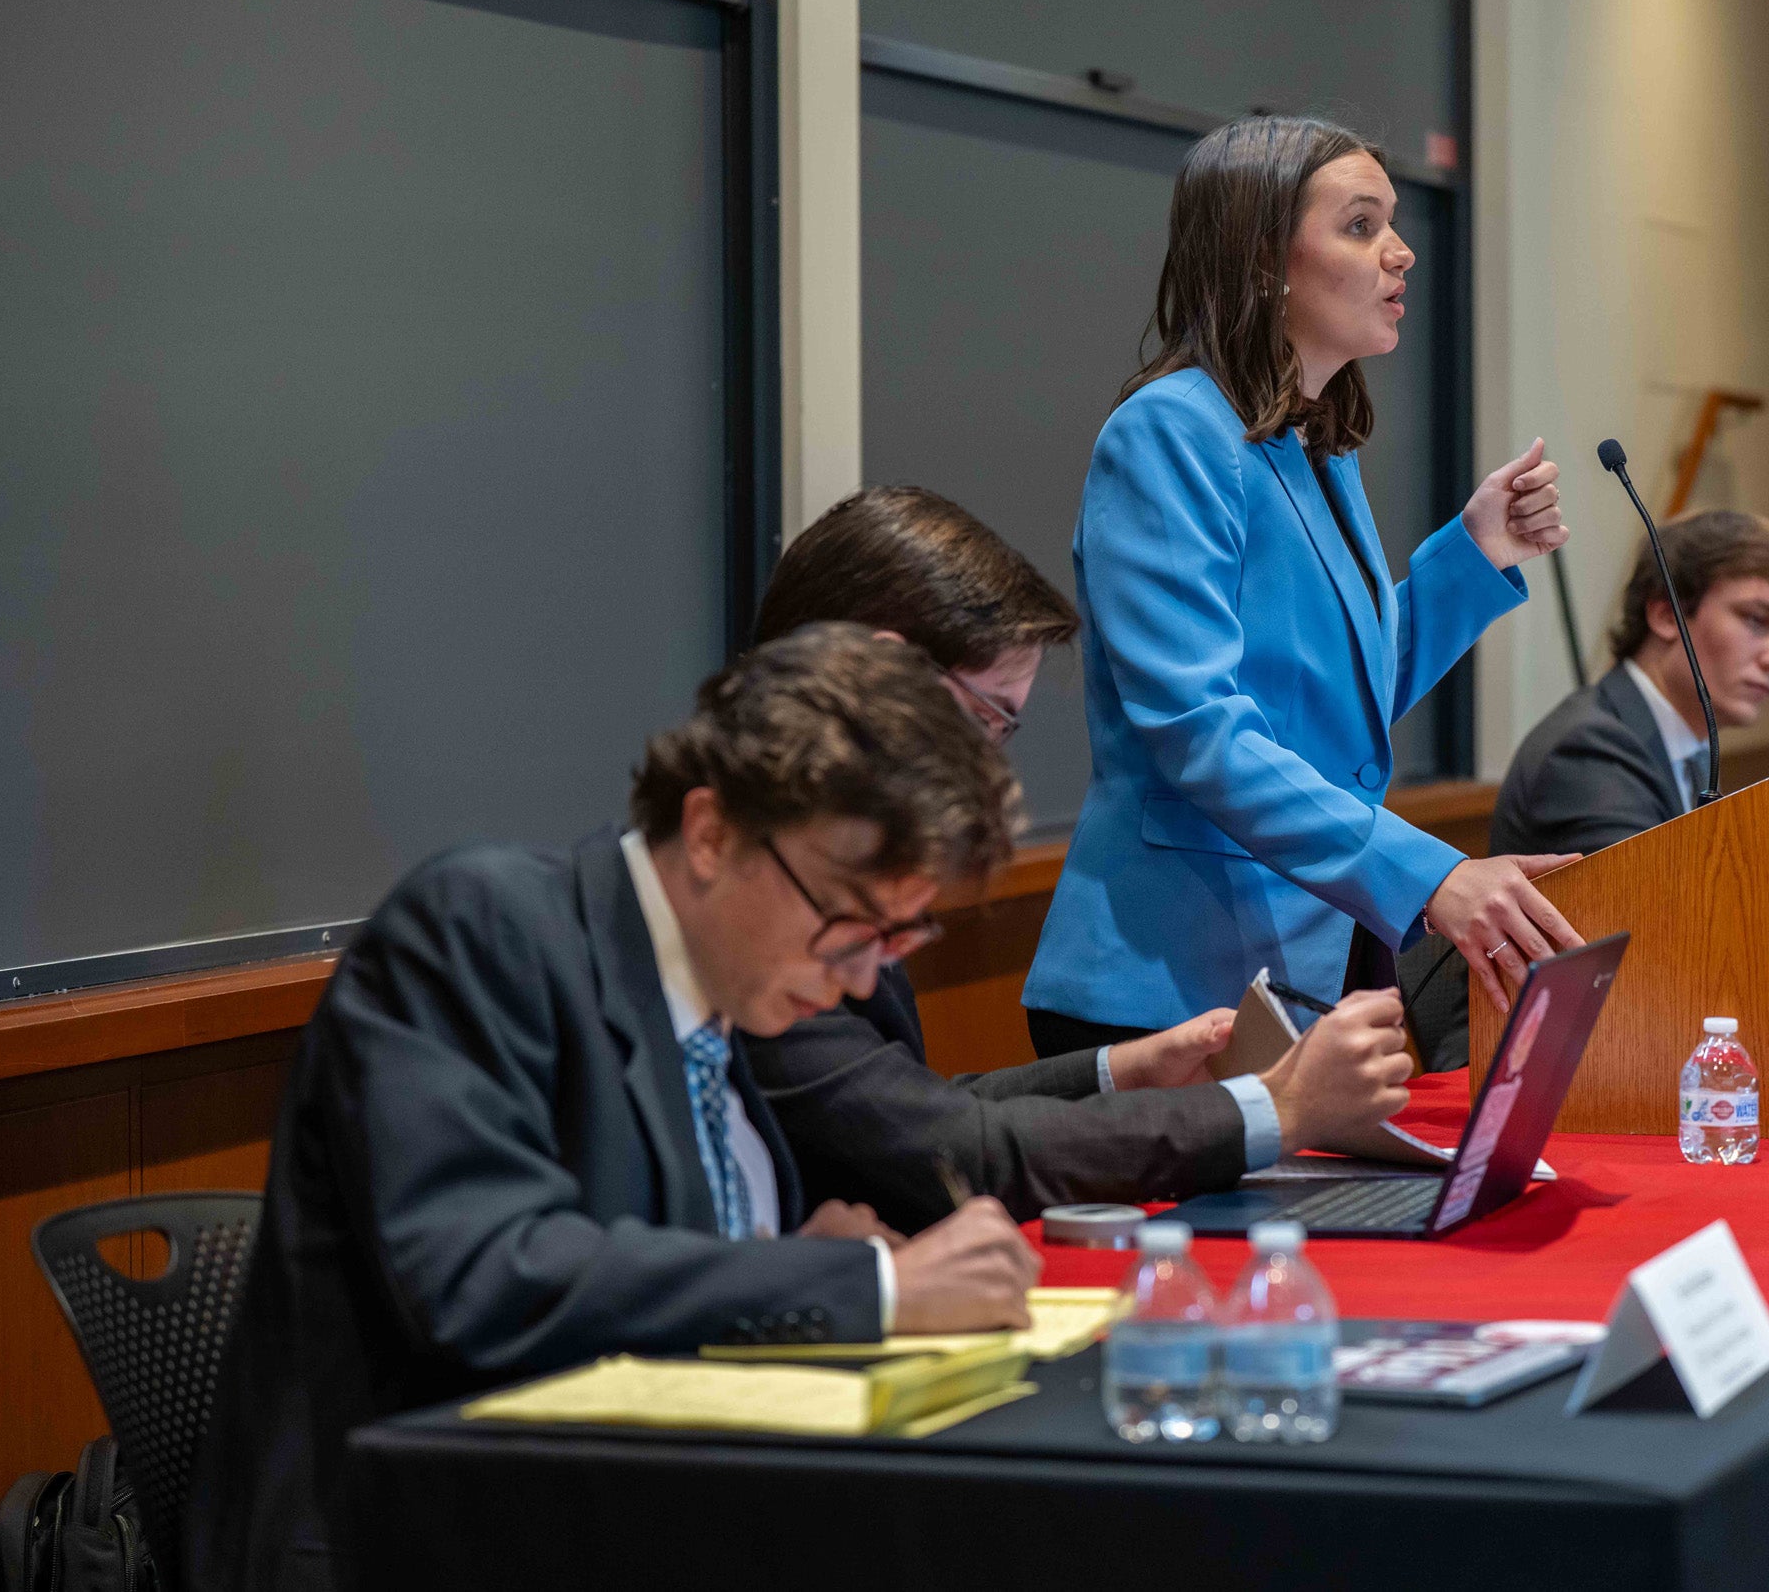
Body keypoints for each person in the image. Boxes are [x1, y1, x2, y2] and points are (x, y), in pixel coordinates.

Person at [189, 627, 1047, 1592]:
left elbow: (647, 1239)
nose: (858, 979)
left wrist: (785, 1250)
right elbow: (486, 1278)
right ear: (715, 831)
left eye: (898, 936)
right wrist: (864, 1287)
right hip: (428, 1544)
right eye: (847, 919)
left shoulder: (723, 995)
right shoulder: (482, 928)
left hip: (642, 1514)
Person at [1022, 115, 1586, 1055]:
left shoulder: (1313, 448)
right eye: (1361, 226)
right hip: (1170, 981)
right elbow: (1198, 729)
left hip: (1302, 966)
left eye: (1394, 224)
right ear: (1261, 258)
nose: (1401, 254)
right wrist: (1430, 874)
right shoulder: (1170, 432)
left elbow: (1338, 703)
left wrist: (1476, 556)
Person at [743, 486, 1418, 1232]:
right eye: (985, 719)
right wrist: (1272, 1110)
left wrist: (1123, 1072)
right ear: (885, 676)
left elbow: (905, 1107)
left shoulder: (830, 866)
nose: (988, 769)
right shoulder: (770, 895)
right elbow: (949, 1150)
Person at [1493, 509, 1769, 857]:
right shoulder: (1589, 751)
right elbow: (1661, 908)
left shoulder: (1692, 751)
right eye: (1757, 621)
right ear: (1666, 616)